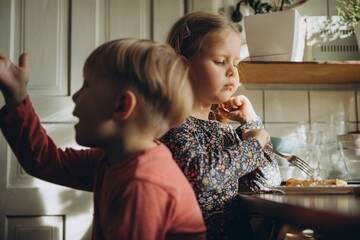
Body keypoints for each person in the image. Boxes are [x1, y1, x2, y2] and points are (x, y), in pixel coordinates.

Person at [0, 39, 207, 240]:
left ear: (121, 106)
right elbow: (46, 161)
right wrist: (16, 96)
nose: (75, 96)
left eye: (86, 84)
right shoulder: (112, 159)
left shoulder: (143, 185)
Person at [160, 11, 281, 239]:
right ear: (182, 66)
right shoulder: (173, 126)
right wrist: (254, 143)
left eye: (236, 63)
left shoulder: (224, 131)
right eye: (220, 61)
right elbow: (202, 177)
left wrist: (250, 122)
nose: (233, 72)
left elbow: (266, 181)